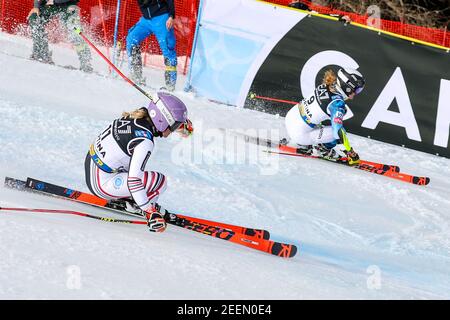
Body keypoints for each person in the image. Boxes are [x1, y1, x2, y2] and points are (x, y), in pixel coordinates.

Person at [84, 92, 193, 233]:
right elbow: (134, 180)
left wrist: (183, 124)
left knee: (137, 170)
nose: (172, 131)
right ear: (163, 120)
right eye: (174, 126)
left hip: (93, 167)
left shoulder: (135, 117)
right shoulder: (145, 141)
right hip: (102, 184)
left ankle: (134, 199)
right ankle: (138, 206)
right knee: (159, 181)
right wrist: (149, 212)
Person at [284, 67, 365, 165]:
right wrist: (350, 153)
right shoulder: (337, 104)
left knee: (323, 119)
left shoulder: (327, 85)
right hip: (299, 134)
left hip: (290, 117)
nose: (355, 94)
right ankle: (323, 150)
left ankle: (304, 144)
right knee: (339, 131)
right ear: (347, 87)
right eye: (356, 90)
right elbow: (337, 132)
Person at [27, 0, 93, 72]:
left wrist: (53, 1)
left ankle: (86, 63)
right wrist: (36, 6)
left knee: (74, 30)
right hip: (49, 4)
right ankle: (41, 55)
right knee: (35, 18)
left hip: (68, 4)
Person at [126, 0, 177, 91]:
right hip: (146, 20)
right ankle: (136, 75)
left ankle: (170, 85)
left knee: (167, 49)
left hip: (161, 18)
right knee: (131, 39)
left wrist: (171, 16)